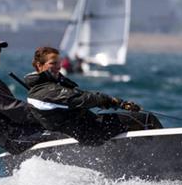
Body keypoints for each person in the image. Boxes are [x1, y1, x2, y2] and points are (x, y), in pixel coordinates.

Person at [24, 46, 162, 145]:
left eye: (59, 64)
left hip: (88, 128)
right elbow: (82, 99)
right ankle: (169, 157)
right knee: (147, 119)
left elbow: (79, 96)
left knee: (132, 121)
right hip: (90, 133)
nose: (58, 67)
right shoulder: (43, 91)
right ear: (39, 65)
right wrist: (112, 101)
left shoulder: (51, 85)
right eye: (53, 63)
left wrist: (117, 103)